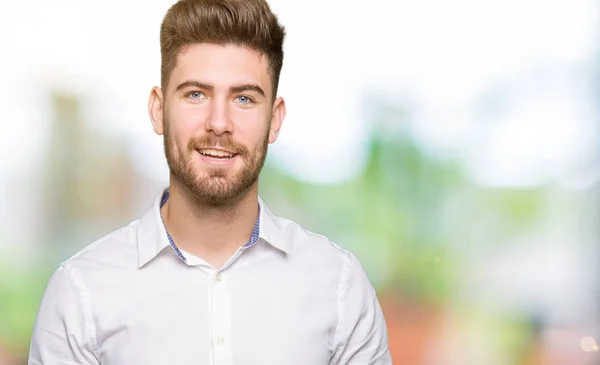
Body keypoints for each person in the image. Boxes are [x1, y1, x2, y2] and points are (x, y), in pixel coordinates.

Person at [27, 0, 392, 364]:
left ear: (275, 120)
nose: (219, 122)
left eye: (244, 98)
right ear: (158, 110)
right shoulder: (81, 294)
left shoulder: (340, 288)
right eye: (196, 94)